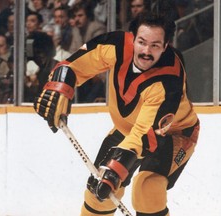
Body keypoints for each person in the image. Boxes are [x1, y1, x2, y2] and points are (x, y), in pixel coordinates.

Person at [33, 11, 200, 216]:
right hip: (127, 129)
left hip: (175, 134)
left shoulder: (169, 82)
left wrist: (115, 170)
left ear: (166, 46)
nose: (146, 51)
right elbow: (73, 66)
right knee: (97, 193)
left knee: (147, 189)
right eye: (142, 42)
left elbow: (144, 135)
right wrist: (58, 87)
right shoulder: (115, 45)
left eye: (155, 45)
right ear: (132, 37)